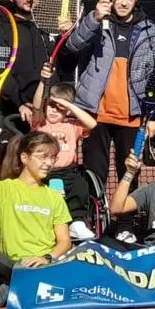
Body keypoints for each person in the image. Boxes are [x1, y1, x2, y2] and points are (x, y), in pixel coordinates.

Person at [66, 0, 155, 191]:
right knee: (93, 175)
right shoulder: (96, 23)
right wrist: (94, 18)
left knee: (129, 173)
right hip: (95, 114)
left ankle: (125, 223)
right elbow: (73, 46)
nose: (124, 2)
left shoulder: (150, 31)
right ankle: (94, 219)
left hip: (131, 117)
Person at [0, 129, 74, 308]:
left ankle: (16, 289)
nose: (48, 163)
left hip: (46, 265)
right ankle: (31, 288)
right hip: (13, 265)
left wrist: (47, 258)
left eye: (52, 158)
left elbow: (65, 241)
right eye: (43, 157)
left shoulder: (54, 197)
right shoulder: (6, 189)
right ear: (25, 158)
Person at [28, 75, 98, 241]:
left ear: (67, 110)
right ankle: (44, 223)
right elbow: (37, 106)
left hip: (69, 171)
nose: (53, 110)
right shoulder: (40, 123)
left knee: (81, 182)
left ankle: (77, 223)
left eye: (59, 108)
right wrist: (43, 82)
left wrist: (67, 104)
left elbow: (92, 124)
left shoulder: (72, 125)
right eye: (51, 106)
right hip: (44, 171)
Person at [3, 0, 48, 122]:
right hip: (16, 113)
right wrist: (20, 104)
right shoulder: (1, 31)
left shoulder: (52, 27)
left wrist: (69, 34)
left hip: (50, 114)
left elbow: (67, 65)